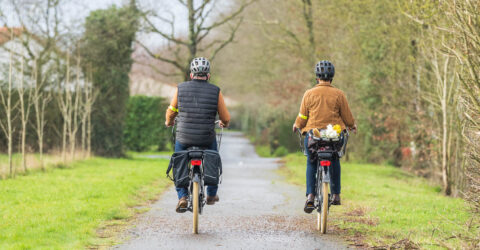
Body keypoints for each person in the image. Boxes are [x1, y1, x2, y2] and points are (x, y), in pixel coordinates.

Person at [165, 57, 230, 213]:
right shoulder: (216, 91)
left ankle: (182, 197)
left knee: (179, 160)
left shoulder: (180, 88)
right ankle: (211, 195)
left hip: (184, 137)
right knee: (213, 157)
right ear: (208, 75)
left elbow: (172, 111)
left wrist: (169, 122)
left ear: (191, 74)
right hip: (206, 137)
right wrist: (224, 123)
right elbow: (225, 117)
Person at [292, 60, 357, 213]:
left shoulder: (309, 94)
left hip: (314, 137)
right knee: (334, 159)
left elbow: (303, 116)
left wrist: (297, 125)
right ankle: (335, 194)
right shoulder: (339, 94)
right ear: (332, 77)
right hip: (334, 136)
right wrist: (352, 125)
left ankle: (310, 195)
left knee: (311, 161)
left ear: (317, 77)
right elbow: (347, 117)